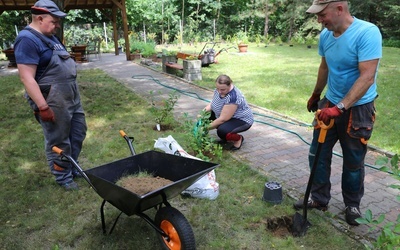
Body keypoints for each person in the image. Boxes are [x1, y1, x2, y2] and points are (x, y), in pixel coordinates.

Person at [294, 0, 382, 226]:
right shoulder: (326, 36)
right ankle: (319, 199)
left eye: (322, 14)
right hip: (330, 102)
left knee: (353, 160)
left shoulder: (367, 33)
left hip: (358, 108)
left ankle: (352, 205)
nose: (319, 20)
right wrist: (316, 95)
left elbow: (367, 77)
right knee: (317, 154)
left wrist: (340, 107)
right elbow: (325, 67)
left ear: (339, 9)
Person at [14, 0, 87, 191]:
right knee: (58, 139)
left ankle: (72, 166)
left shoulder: (50, 37)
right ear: (39, 18)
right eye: (54, 22)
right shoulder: (27, 39)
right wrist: (42, 106)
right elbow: (26, 77)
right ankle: (63, 176)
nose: (57, 26)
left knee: (78, 132)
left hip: (69, 95)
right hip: (52, 99)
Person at [203, 74, 253, 150]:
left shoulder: (233, 97)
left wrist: (205, 128)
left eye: (222, 90)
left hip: (241, 120)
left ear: (230, 85)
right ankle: (226, 136)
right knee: (208, 120)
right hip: (226, 115)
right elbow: (213, 103)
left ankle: (238, 139)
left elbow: (223, 119)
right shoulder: (220, 89)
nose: (219, 91)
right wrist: (202, 113)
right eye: (217, 88)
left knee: (222, 131)